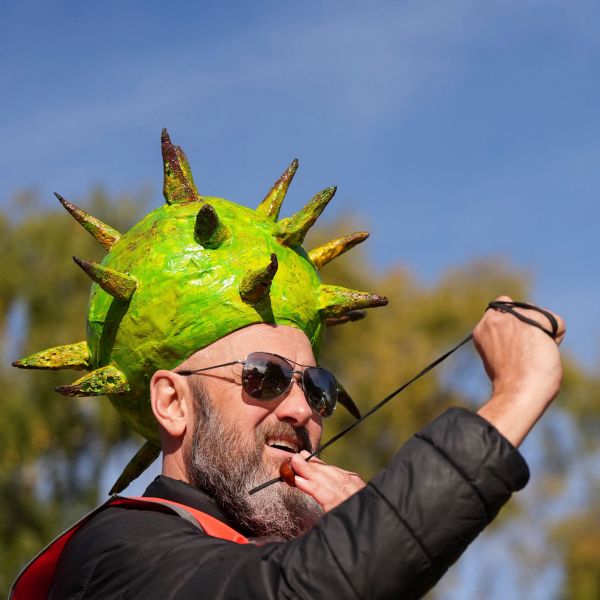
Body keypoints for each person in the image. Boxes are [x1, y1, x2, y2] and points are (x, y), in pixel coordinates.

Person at [10, 131, 565, 600]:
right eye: (264, 375)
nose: (303, 409)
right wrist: (517, 394)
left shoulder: (278, 558)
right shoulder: (116, 556)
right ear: (172, 402)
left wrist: (364, 537)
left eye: (317, 386)